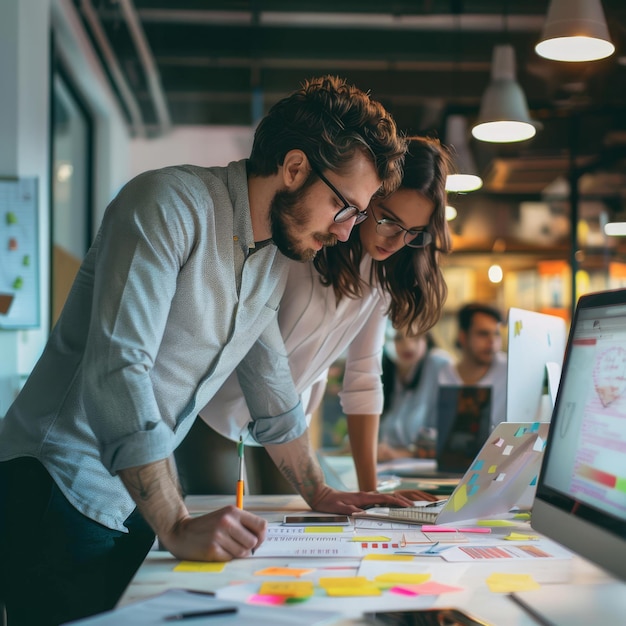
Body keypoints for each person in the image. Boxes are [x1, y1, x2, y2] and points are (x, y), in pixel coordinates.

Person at [0, 75, 409, 626]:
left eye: (357, 217)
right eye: (345, 209)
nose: (346, 233)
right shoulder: (168, 203)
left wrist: (320, 492)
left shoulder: (267, 259)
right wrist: (173, 521)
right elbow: (118, 370)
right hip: (57, 487)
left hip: (132, 498)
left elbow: (271, 384)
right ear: (293, 168)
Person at [177, 136, 452, 496]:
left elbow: (364, 379)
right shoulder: (302, 244)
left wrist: (372, 493)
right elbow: (258, 351)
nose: (396, 241)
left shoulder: (380, 276)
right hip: (217, 411)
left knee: (292, 528)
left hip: (290, 426)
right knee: (225, 527)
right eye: (388, 220)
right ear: (369, 199)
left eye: (413, 232)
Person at [377, 328, 453, 461]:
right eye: (398, 338)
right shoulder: (385, 370)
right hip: (387, 466)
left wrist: (403, 453)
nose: (408, 345)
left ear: (426, 339)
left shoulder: (439, 365)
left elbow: (451, 435)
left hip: (425, 466)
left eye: (416, 337)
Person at [437, 302, 507, 430]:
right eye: (483, 334)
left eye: (496, 334)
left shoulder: (509, 370)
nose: (492, 341)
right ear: (463, 337)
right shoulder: (443, 376)